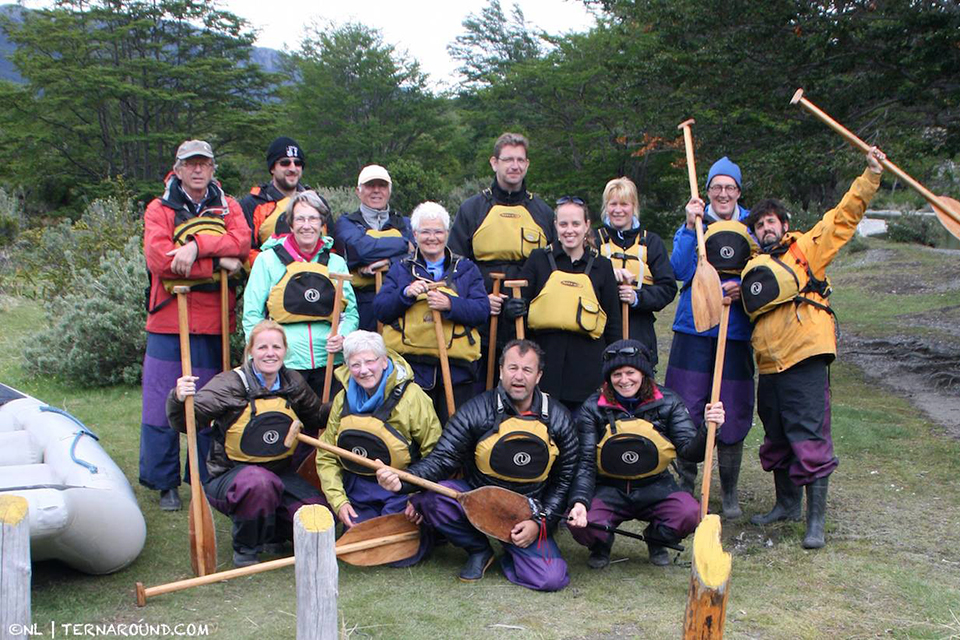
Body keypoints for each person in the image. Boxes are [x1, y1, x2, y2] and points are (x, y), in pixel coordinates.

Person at [742, 147, 885, 549]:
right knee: (776, 435)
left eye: (771, 221)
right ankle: (786, 505)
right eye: (759, 225)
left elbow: (843, 218)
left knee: (808, 435)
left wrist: (870, 176)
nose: (765, 228)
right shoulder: (752, 265)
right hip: (768, 363)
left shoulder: (807, 249)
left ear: (784, 224)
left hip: (804, 354)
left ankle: (815, 521)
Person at [375, 340, 578, 591]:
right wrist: (403, 480)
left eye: (527, 370)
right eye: (512, 368)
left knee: (551, 579)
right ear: (501, 371)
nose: (519, 376)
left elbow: (564, 478)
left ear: (539, 376)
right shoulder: (476, 410)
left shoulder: (559, 418)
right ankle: (479, 549)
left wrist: (539, 522)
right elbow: (443, 458)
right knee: (432, 500)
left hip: (528, 510)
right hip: (478, 498)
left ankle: (512, 555)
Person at [141, 139, 251, 511]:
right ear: (179, 169)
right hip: (168, 320)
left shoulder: (229, 205)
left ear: (213, 168)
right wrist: (215, 264)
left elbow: (241, 241)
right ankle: (163, 482)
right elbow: (160, 259)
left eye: (204, 163)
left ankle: (205, 476)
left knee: (207, 404)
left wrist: (195, 248)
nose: (198, 170)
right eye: (191, 164)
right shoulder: (159, 208)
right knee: (161, 403)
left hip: (213, 320)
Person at [167, 320, 327, 567]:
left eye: (276, 346)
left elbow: (316, 416)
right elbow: (186, 422)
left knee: (318, 512)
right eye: (262, 347)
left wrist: (347, 402)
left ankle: (274, 535)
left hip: (281, 474)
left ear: (285, 350)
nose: (270, 353)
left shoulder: (292, 382)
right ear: (250, 350)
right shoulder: (229, 384)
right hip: (231, 477)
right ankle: (246, 549)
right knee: (260, 484)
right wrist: (179, 399)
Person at [568, 340, 725, 566]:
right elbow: (585, 462)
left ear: (643, 373)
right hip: (609, 486)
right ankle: (600, 543)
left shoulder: (669, 401)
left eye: (630, 372)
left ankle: (657, 538)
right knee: (580, 522)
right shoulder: (593, 407)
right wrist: (580, 502)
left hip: (656, 484)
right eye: (616, 374)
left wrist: (709, 429)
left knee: (690, 513)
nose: (624, 380)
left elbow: (690, 452)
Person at [665, 157, 757, 519]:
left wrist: (742, 287)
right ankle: (685, 485)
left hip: (735, 330)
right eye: (716, 187)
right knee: (686, 404)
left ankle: (729, 492)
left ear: (738, 191)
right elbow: (679, 270)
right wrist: (690, 227)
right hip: (694, 327)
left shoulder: (751, 226)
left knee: (732, 406)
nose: (722, 193)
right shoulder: (694, 224)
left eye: (729, 187)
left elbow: (762, 273)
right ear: (707, 192)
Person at [315, 331, 441, 566]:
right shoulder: (342, 400)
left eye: (370, 361)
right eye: (356, 364)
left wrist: (418, 496)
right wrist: (339, 501)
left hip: (401, 488)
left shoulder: (413, 398)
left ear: (384, 361)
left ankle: (426, 529)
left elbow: (434, 452)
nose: (364, 370)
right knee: (361, 547)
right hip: (359, 487)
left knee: (400, 557)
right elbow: (327, 456)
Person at [449, 133, 556, 374]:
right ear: (494, 162)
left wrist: (532, 303)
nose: (515, 166)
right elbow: (455, 264)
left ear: (527, 164)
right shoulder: (472, 209)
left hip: (527, 319)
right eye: (508, 159)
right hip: (484, 320)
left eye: (520, 160)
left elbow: (554, 268)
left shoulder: (543, 212)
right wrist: (479, 300)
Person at [374, 202, 490, 423]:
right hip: (412, 370)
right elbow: (381, 309)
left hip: (457, 373)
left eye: (437, 231)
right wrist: (405, 293)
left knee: (455, 433)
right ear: (415, 234)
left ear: (446, 234)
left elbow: (482, 311)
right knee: (417, 432)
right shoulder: (401, 269)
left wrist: (450, 304)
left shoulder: (465, 269)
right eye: (425, 231)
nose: (432, 237)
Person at [243, 191, 358, 399]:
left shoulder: (336, 262)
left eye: (313, 218)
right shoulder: (267, 261)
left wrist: (343, 336)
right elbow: (252, 313)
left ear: (322, 223)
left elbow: (350, 313)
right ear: (291, 223)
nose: (307, 225)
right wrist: (261, 354)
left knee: (326, 424)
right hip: (285, 362)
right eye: (300, 219)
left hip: (330, 360)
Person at [513, 196, 622, 414]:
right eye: (563, 224)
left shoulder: (602, 267)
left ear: (587, 226)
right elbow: (519, 309)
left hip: (588, 373)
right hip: (544, 370)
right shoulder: (538, 260)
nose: (569, 230)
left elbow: (613, 326)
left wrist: (613, 371)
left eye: (575, 224)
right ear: (555, 226)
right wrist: (513, 309)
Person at [595, 177, 677, 363]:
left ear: (634, 206)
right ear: (606, 207)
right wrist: (607, 277)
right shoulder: (594, 240)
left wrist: (637, 297)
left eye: (624, 204)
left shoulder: (652, 242)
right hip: (601, 330)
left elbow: (668, 288)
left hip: (640, 330)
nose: (618, 210)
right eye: (613, 204)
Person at [334, 165, 414, 332]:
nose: (376, 191)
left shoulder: (406, 223)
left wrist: (389, 261)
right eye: (370, 185)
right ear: (358, 191)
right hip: (361, 303)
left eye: (382, 185)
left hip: (400, 301)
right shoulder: (346, 223)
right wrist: (404, 244)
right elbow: (360, 250)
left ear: (389, 190)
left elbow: (419, 257)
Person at [240, 137, 308, 266]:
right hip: (269, 279)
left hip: (313, 280)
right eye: (285, 163)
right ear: (272, 168)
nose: (292, 168)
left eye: (297, 163)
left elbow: (331, 247)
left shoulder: (316, 202)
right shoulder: (252, 203)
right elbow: (246, 251)